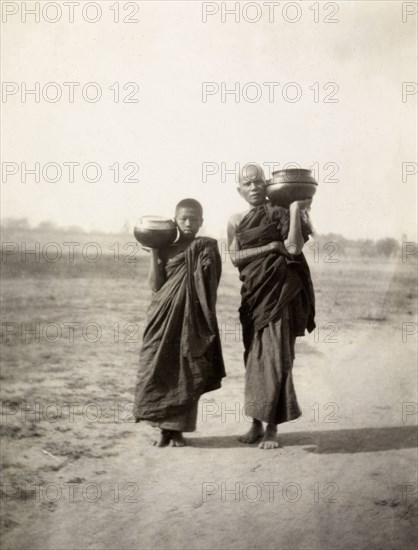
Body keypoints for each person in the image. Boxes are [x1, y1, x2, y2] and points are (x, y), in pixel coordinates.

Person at [227, 164, 315, 449]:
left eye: (257, 182)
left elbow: (293, 248)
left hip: (280, 295)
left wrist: (292, 209)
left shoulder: (278, 211)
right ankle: (255, 423)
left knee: (277, 359)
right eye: (247, 183)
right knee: (253, 360)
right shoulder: (236, 220)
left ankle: (272, 429)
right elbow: (235, 258)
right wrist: (268, 248)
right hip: (254, 297)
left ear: (266, 184)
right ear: (239, 190)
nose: (253, 187)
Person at [134, 198, 225, 447]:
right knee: (157, 365)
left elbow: (210, 285)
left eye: (194, 219)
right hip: (162, 318)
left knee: (187, 368)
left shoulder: (205, 247)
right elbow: (156, 286)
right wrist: (154, 250)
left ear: (201, 222)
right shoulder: (164, 249)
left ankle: (178, 430)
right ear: (175, 221)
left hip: (191, 319)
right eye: (183, 218)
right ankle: (163, 430)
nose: (188, 223)